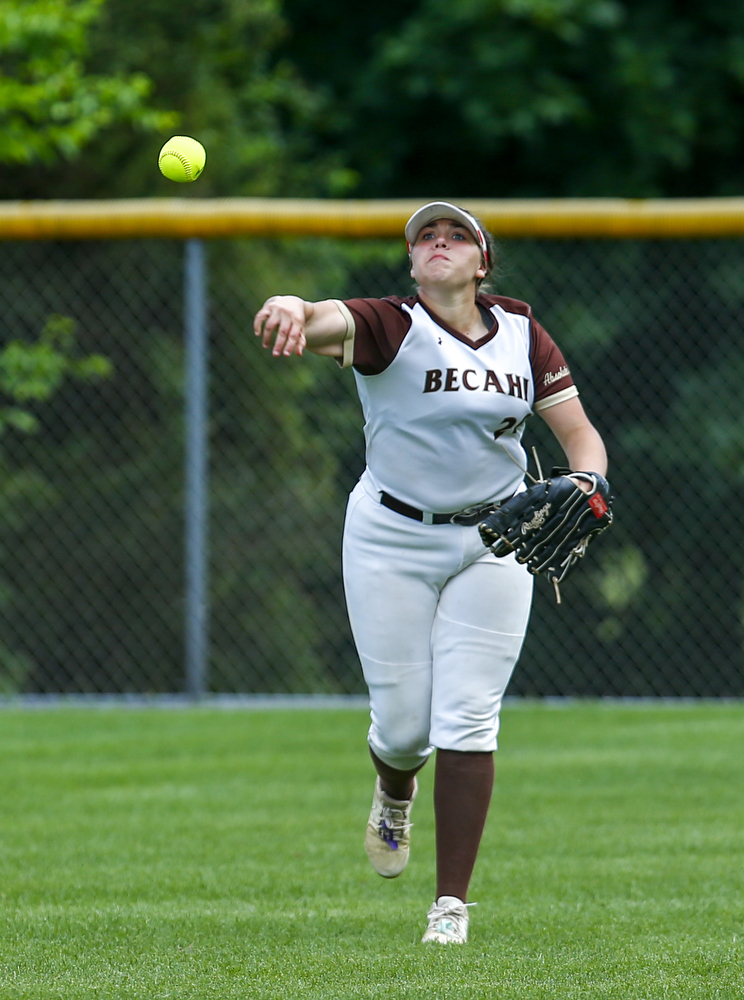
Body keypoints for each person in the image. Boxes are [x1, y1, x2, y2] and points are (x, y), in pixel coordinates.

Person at [253, 202, 608, 945]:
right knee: (407, 727)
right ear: (413, 264)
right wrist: (289, 306)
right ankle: (393, 788)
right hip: (391, 537)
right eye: (425, 237)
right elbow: (321, 317)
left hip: (495, 537)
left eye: (455, 236)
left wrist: (584, 481)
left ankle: (450, 907)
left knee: (470, 715)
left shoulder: (521, 334)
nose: (438, 243)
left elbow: (579, 435)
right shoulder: (392, 324)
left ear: (482, 264)